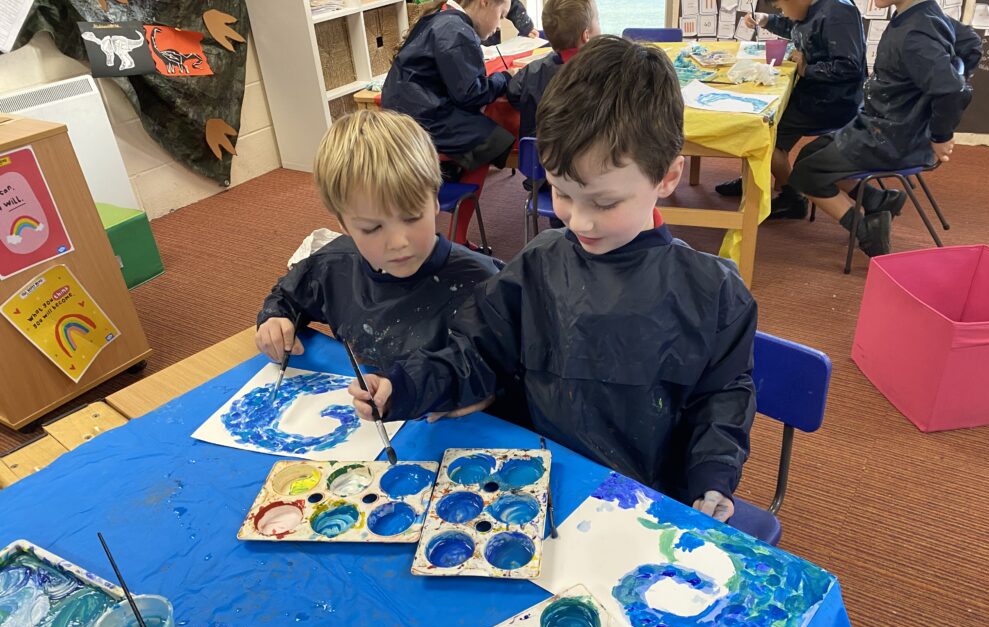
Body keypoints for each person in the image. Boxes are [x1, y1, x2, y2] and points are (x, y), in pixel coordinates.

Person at [350, 36, 758, 524]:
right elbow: (476, 352)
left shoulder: (713, 293)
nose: (579, 222)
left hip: (643, 505)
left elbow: (722, 399)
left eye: (604, 203)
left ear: (667, 179)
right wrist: (407, 386)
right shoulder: (539, 263)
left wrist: (711, 477)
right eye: (561, 193)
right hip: (535, 486)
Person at [255, 110, 501, 371]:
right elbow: (288, 296)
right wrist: (275, 319)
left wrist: (490, 395)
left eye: (411, 218)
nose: (397, 242)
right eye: (372, 228)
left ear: (434, 200)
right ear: (344, 224)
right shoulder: (333, 266)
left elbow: (524, 370)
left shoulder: (487, 283)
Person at [787, 0, 981, 256]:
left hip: (891, 137)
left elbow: (952, 91)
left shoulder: (915, 34)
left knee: (804, 174)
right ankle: (877, 199)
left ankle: (868, 229)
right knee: (809, 155)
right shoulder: (923, 14)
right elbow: (971, 44)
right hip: (881, 124)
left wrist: (940, 134)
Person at [717, 0, 867, 220]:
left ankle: (792, 198)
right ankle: (754, 181)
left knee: (762, 132)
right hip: (816, 94)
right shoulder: (812, 7)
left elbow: (849, 67)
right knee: (763, 115)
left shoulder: (838, 11)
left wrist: (807, 69)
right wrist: (766, 20)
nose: (781, 11)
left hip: (833, 102)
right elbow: (796, 25)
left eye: (781, 6)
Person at [382, 0, 514, 181]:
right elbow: (471, 94)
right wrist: (505, 77)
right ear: (485, 2)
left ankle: (447, 176)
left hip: (405, 111)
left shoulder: (441, 18)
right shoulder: (456, 30)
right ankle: (456, 190)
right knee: (496, 140)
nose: (499, 26)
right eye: (501, 15)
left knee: (481, 129)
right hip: (421, 117)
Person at [506, 0, 600, 139]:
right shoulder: (603, 72)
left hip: (538, 156)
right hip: (585, 155)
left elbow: (513, 92)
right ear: (586, 35)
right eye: (597, 20)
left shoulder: (532, 70)